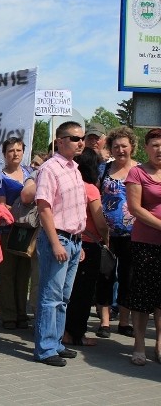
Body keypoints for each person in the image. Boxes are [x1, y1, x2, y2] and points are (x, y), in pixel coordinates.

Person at [33, 121, 86, 366]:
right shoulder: (50, 168)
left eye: (81, 138)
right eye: (75, 138)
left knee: (64, 297)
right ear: (61, 140)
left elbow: (75, 210)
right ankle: (45, 349)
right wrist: (55, 243)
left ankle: (56, 342)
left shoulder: (75, 168)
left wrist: (79, 243)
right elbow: (44, 208)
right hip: (59, 238)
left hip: (74, 240)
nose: (80, 142)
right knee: (51, 296)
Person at [62, 148, 108, 347]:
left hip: (68, 241)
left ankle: (62, 330)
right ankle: (76, 334)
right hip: (88, 245)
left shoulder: (68, 186)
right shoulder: (90, 189)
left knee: (67, 291)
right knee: (83, 293)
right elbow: (99, 222)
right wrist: (106, 238)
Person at [96, 127, 138, 339]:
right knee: (105, 275)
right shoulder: (103, 169)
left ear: (132, 146)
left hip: (135, 234)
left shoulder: (140, 170)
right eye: (116, 146)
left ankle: (124, 321)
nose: (120, 150)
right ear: (111, 148)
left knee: (128, 277)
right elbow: (94, 196)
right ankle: (104, 322)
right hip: (107, 234)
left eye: (124, 146)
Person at [124, 128, 161, 366]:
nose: (160, 150)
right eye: (155, 145)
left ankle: (159, 341)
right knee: (143, 295)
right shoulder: (137, 173)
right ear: (146, 148)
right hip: (146, 242)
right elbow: (135, 209)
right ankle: (139, 343)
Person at [0, 137, 33, 330]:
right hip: (8, 230)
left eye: (18, 150)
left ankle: (22, 313)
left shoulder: (30, 173)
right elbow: (1, 205)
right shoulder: (0, 176)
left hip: (28, 230)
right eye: (11, 151)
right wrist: (22, 211)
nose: (15, 154)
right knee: (7, 274)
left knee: (24, 274)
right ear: (4, 154)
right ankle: (8, 315)